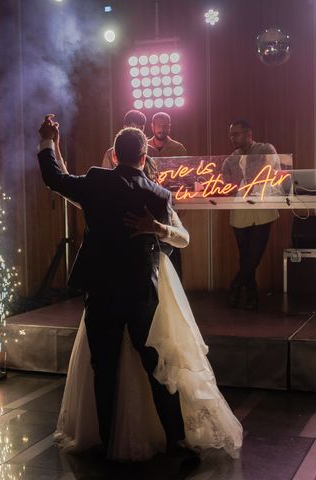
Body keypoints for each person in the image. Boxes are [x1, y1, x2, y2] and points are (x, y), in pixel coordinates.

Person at [39, 116, 243, 462]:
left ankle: (105, 440)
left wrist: (49, 142)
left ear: (115, 156)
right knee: (157, 366)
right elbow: (184, 239)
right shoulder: (158, 193)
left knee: (102, 368)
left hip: (101, 291)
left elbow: (55, 179)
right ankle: (175, 437)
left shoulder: (95, 182)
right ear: (145, 155)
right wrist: (158, 227)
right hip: (140, 292)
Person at [222, 120, 280, 310]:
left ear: (249, 133)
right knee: (245, 256)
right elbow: (225, 184)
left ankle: (235, 285)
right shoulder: (230, 160)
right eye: (231, 135)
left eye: (236, 134)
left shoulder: (266, 149)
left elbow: (273, 174)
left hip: (262, 208)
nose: (232, 138)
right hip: (240, 209)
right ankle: (252, 296)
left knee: (254, 255)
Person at [148, 112, 188, 278]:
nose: (162, 128)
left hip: (171, 203)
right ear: (152, 126)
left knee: (174, 244)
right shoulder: (144, 146)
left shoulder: (178, 148)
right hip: (149, 203)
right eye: (159, 124)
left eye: (166, 125)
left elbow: (187, 179)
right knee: (152, 244)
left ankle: (175, 286)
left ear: (170, 127)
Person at [102, 109, 159, 181]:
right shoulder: (110, 153)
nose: (138, 131)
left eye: (141, 128)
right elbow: (107, 180)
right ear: (125, 127)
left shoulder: (152, 151)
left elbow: (158, 178)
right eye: (133, 127)